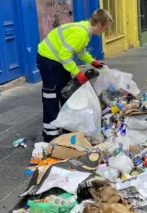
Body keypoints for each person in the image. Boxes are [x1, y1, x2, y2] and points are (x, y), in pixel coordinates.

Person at [37, 9, 113, 142]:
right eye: (105, 28)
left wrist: (92, 62)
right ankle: (50, 135)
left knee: (66, 93)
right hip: (48, 60)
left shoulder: (85, 30)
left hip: (57, 61)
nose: (104, 31)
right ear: (100, 25)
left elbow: (80, 51)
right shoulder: (81, 33)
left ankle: (66, 126)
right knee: (52, 96)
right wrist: (78, 74)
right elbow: (64, 55)